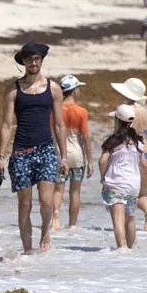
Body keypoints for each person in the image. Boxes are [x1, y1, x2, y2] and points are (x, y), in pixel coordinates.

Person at [0, 42, 67, 255]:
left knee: (46, 202)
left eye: (37, 59)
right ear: (23, 62)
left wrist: (63, 156)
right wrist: (0, 157)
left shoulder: (53, 88)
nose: (33, 63)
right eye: (29, 59)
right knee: (24, 204)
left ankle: (45, 232)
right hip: (21, 151)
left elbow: (59, 124)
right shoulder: (13, 90)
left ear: (42, 60)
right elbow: (6, 125)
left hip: (46, 149)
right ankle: (28, 250)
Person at [110, 78, 147, 235]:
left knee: (124, 190)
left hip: (127, 150)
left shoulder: (123, 110)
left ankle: (124, 224)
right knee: (142, 193)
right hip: (144, 151)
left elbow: (116, 132)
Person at [98, 104, 147, 251]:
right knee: (130, 219)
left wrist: (103, 178)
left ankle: (121, 251)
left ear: (117, 120)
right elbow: (145, 163)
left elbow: (102, 161)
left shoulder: (112, 141)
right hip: (133, 185)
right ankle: (131, 250)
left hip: (116, 183)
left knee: (118, 221)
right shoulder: (139, 142)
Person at [57, 74, 91, 233]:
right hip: (77, 155)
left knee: (58, 190)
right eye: (78, 88)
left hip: (59, 153)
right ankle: (72, 225)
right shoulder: (81, 111)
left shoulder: (55, 110)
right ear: (74, 90)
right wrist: (90, 161)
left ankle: (55, 217)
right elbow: (85, 137)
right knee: (75, 192)